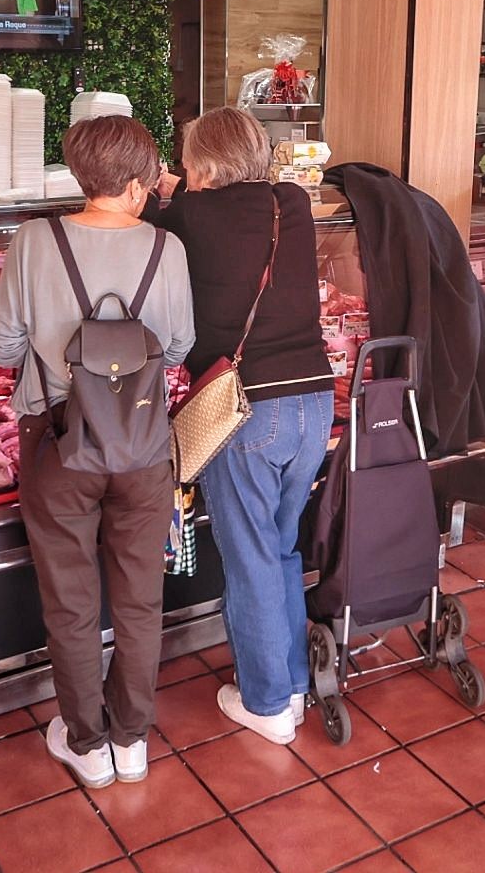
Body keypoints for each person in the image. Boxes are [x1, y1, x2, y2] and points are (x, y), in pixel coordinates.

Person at [0, 116, 194, 789]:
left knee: (71, 603)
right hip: (143, 443)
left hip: (57, 441)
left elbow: (1, 347)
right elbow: (180, 348)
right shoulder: (167, 248)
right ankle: (132, 741)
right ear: (136, 184)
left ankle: (87, 742)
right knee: (140, 602)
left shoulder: (34, 240)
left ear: (79, 175)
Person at [153, 107, 334, 746]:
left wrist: (169, 190)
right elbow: (231, 211)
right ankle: (290, 685)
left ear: (200, 166)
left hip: (247, 409)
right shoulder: (294, 203)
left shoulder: (188, 218)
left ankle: (266, 704)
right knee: (281, 548)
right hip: (315, 404)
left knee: (251, 557)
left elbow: (146, 217)